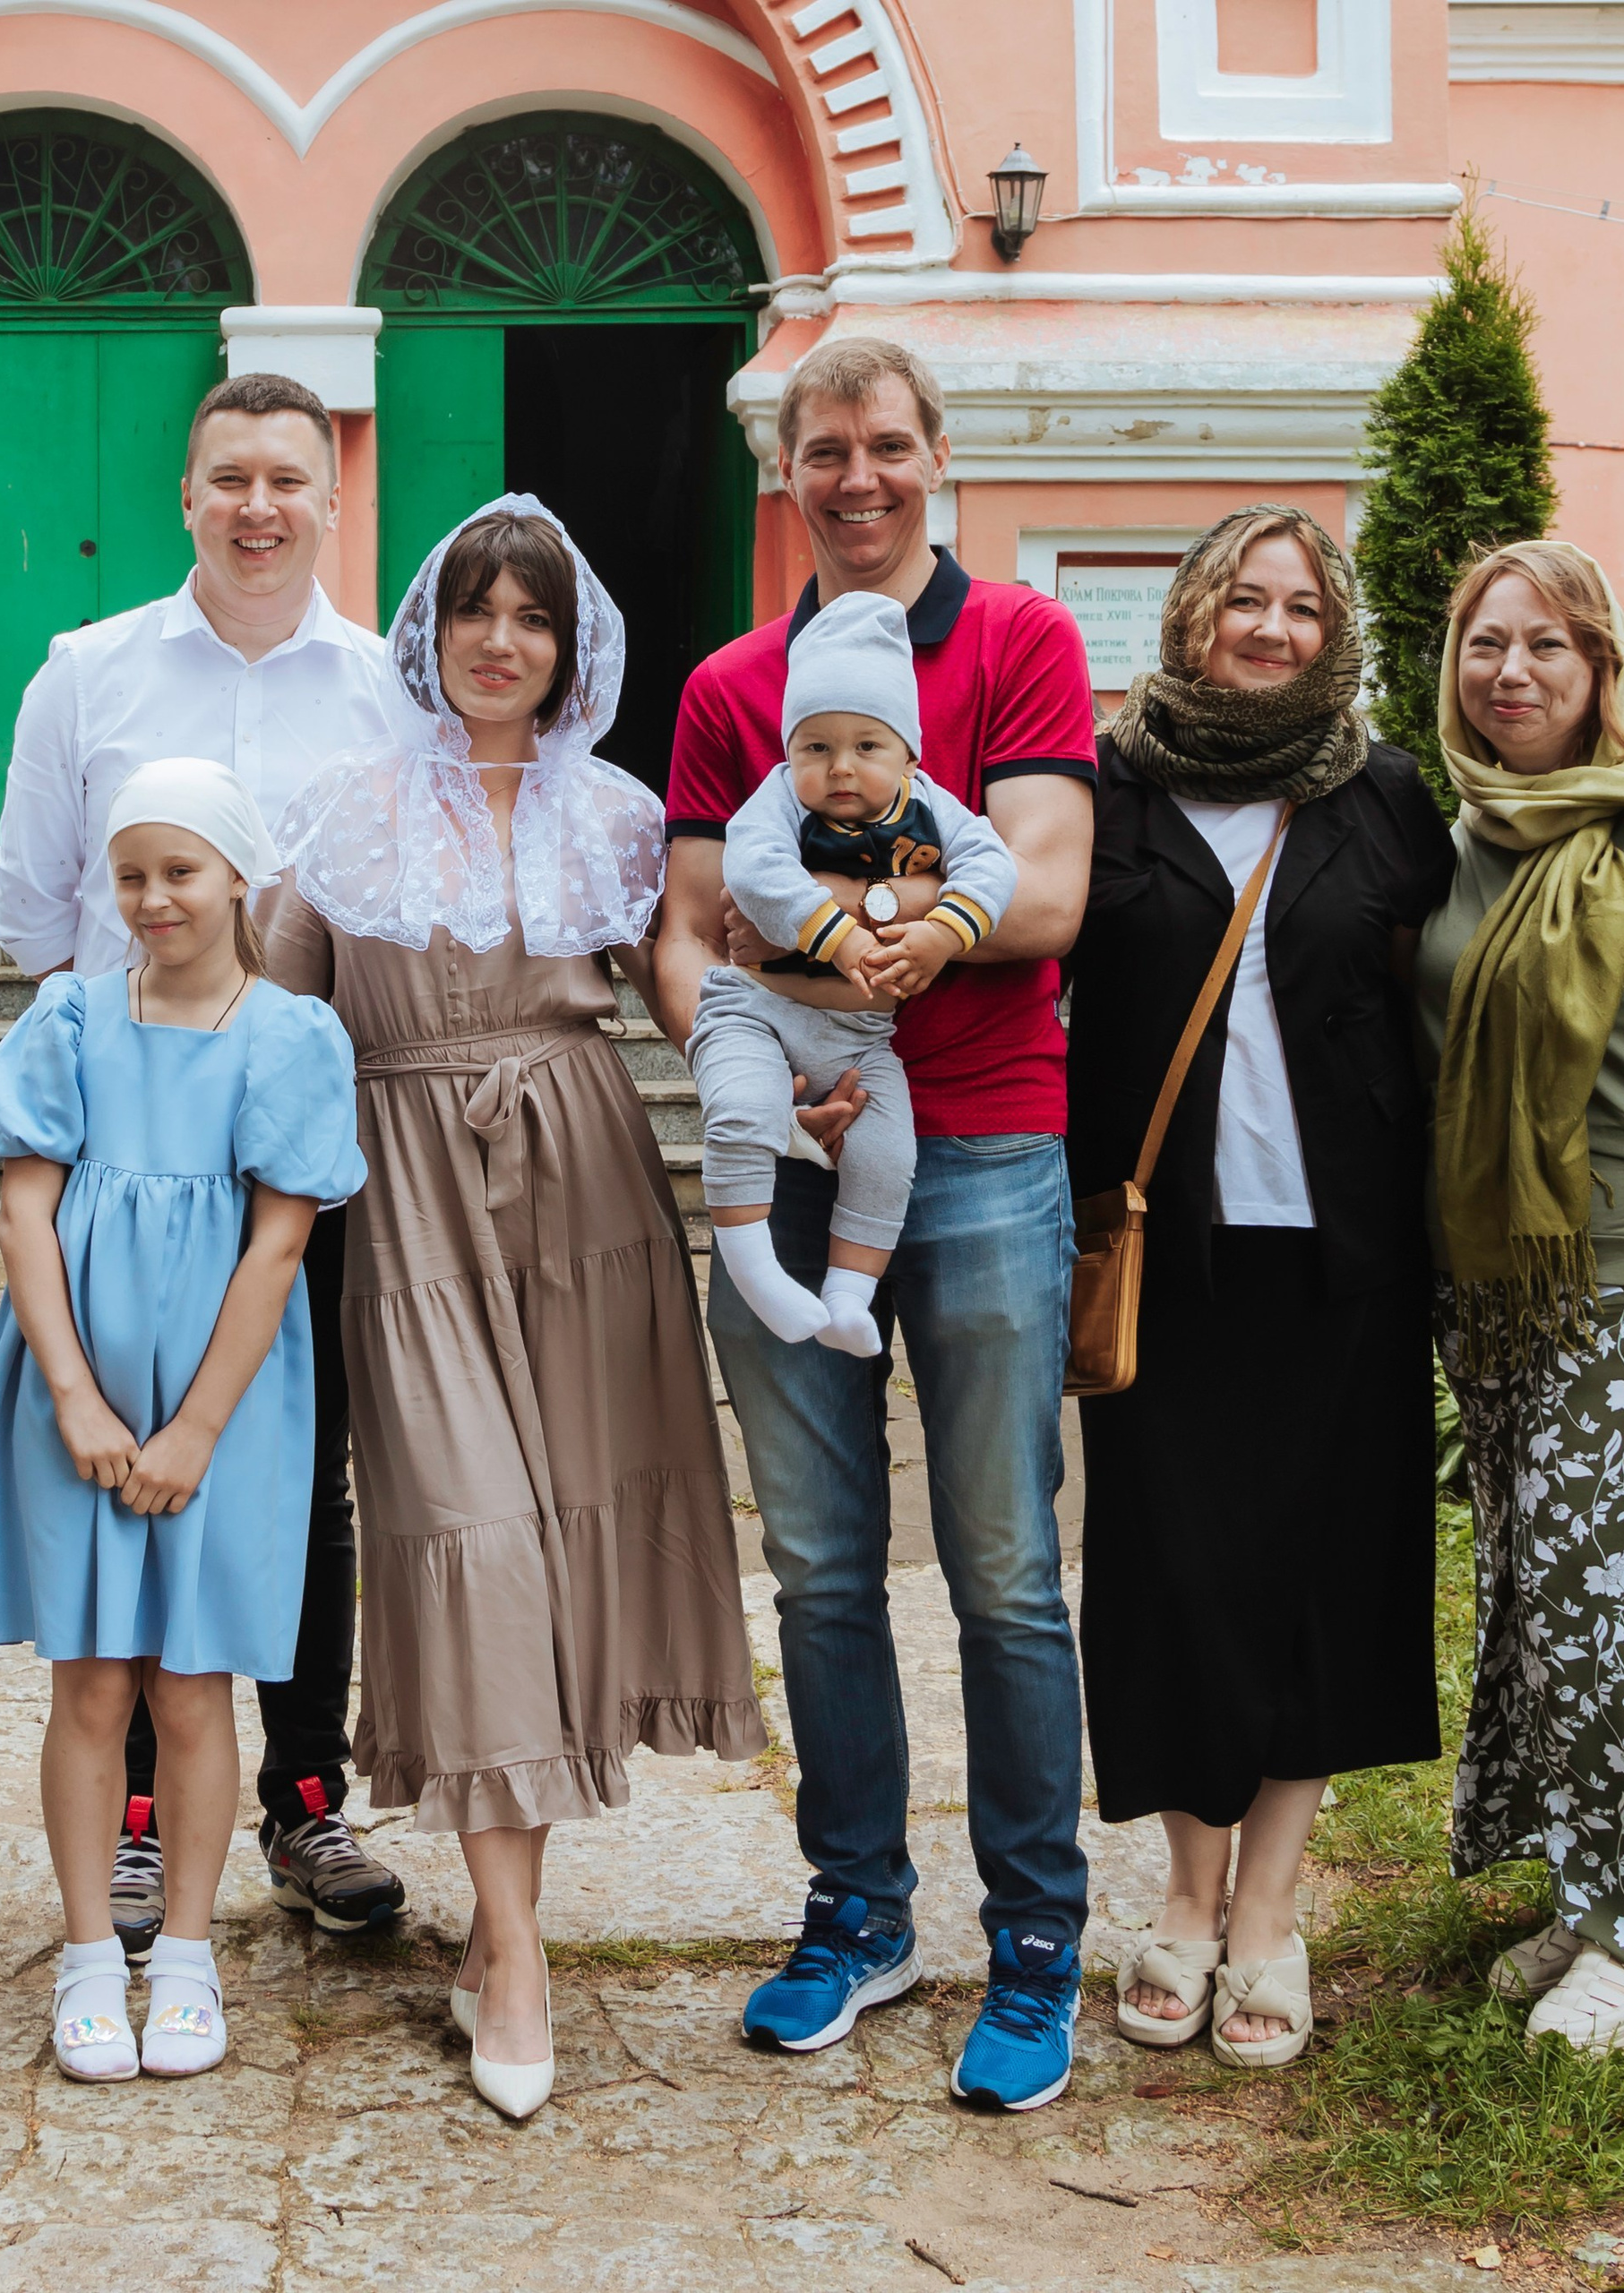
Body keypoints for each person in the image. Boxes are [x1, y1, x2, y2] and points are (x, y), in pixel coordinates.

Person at [271, 496, 764, 2120]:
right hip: (407, 1202)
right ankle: (525, 1956)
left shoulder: (618, 816)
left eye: (533, 617)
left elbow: (697, 975)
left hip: (587, 1193)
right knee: (470, 1534)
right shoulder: (344, 810)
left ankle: (503, 1927)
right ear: (428, 633)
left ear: (570, 649)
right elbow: (262, 1018)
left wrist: (785, 1081)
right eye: (475, 610)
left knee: (559, 1548)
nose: (501, 641)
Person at [656, 336, 1098, 2110]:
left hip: (983, 1146)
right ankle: (857, 1915)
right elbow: (686, 928)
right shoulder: (730, 686)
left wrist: (899, 943)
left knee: (1004, 1569)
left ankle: (1037, 1940)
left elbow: (1045, 886)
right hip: (793, 1149)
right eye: (825, 448)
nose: (858, 477)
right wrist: (753, 1067)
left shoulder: (1022, 642)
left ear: (935, 455)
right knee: (823, 1569)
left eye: (888, 444)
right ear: (786, 469)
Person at [0, 371, 404, 1950]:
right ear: (186, 493)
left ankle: (303, 1794)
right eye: (229, 477)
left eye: (288, 480)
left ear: (330, 501)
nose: (257, 507)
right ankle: (142, 1813)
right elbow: (39, 914)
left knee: (299, 1469)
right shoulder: (85, 674)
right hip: (121, 1155)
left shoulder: (388, 691)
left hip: (296, 1132)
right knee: (113, 1460)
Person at [1066, 504, 1451, 2068]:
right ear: (1190, 614)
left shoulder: (1383, 795)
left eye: (1301, 607)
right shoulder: (1106, 790)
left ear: (1332, 632)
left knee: (1322, 1573)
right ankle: (1185, 1895)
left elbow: (1438, 1000)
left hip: (1347, 1259)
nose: (1272, 629)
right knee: (1173, 1569)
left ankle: (1270, 1917)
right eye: (1245, 598)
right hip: (1167, 1258)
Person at [0, 757, 363, 2083]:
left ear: (238, 876)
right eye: (130, 875)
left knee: (193, 1686)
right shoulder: (70, 1020)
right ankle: (89, 1957)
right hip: (76, 1398)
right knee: (89, 1683)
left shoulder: (289, 1036)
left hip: (220, 1410)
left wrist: (195, 1430)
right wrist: (73, 1394)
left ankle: (186, 1955)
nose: (153, 899)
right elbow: (25, 1213)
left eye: (180, 871)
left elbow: (278, 1245)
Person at [1419, 537, 1624, 2057]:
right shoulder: (1453, 837)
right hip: (1486, 1286)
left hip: (1611, 1277)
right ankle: (1585, 1884)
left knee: (1593, 1609)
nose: (1513, 672)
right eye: (1488, 643)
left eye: (1548, 645)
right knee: (1533, 1605)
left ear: (1600, 670)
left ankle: (1617, 1932)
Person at [692, 587, 1015, 1355]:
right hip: (753, 1010)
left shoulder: (934, 807)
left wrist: (943, 932)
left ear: (909, 754)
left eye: (867, 745)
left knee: (888, 1151)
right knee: (741, 1111)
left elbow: (995, 866)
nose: (840, 767)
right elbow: (754, 869)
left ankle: (847, 1296)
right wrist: (836, 936)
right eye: (815, 747)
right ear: (790, 753)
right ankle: (758, 1273)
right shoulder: (779, 800)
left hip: (862, 1036)